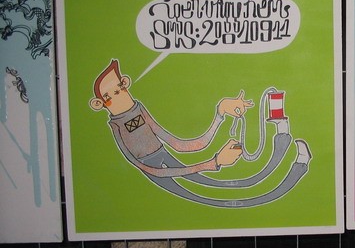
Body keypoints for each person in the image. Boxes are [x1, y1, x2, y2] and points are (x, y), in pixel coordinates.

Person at [89, 59, 311, 207]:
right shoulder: (117, 127)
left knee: (243, 183)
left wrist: (220, 114)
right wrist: (214, 163)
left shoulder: (139, 110)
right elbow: (151, 170)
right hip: (158, 170)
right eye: (111, 95)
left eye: (120, 88)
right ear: (99, 104)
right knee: (222, 196)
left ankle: (284, 137)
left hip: (165, 157)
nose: (121, 96)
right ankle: (298, 166)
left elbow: (180, 145)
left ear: (125, 84)